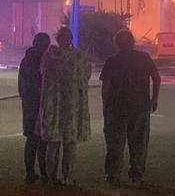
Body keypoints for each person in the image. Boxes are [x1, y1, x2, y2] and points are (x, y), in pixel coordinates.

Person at [100, 29, 160, 187]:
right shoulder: (143, 58)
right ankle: (137, 175)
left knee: (115, 144)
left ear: (116, 44)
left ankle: (113, 174)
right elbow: (156, 77)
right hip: (140, 107)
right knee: (139, 143)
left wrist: (105, 106)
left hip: (116, 108)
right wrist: (154, 99)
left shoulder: (112, 61)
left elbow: (105, 87)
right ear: (133, 42)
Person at [37, 27, 91, 186]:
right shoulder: (78, 57)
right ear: (70, 39)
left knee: (53, 142)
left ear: (57, 39)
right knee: (70, 143)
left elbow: (42, 73)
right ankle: (68, 177)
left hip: (53, 103)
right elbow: (86, 75)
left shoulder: (49, 56)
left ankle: (50, 177)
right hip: (72, 105)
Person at [18, 32, 50, 184]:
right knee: (39, 139)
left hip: (30, 103)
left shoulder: (27, 59)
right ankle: (39, 171)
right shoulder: (39, 60)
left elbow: (22, 86)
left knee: (35, 138)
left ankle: (34, 172)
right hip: (37, 103)